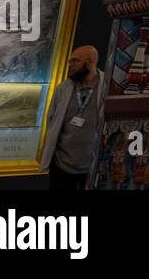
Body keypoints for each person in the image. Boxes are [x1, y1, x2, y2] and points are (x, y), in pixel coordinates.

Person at [40, 45, 106, 190]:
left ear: (89, 62)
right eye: (70, 62)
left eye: (75, 61)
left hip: (92, 166)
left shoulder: (106, 88)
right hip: (61, 164)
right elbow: (51, 121)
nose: (70, 65)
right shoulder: (63, 89)